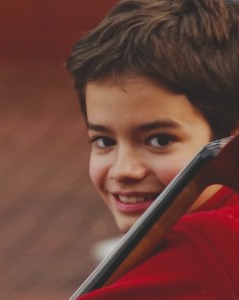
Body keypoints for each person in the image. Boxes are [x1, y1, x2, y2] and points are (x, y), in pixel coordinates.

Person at [66, 0, 239, 298]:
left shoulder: (202, 249)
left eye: (160, 140)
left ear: (232, 138)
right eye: (104, 141)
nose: (124, 170)